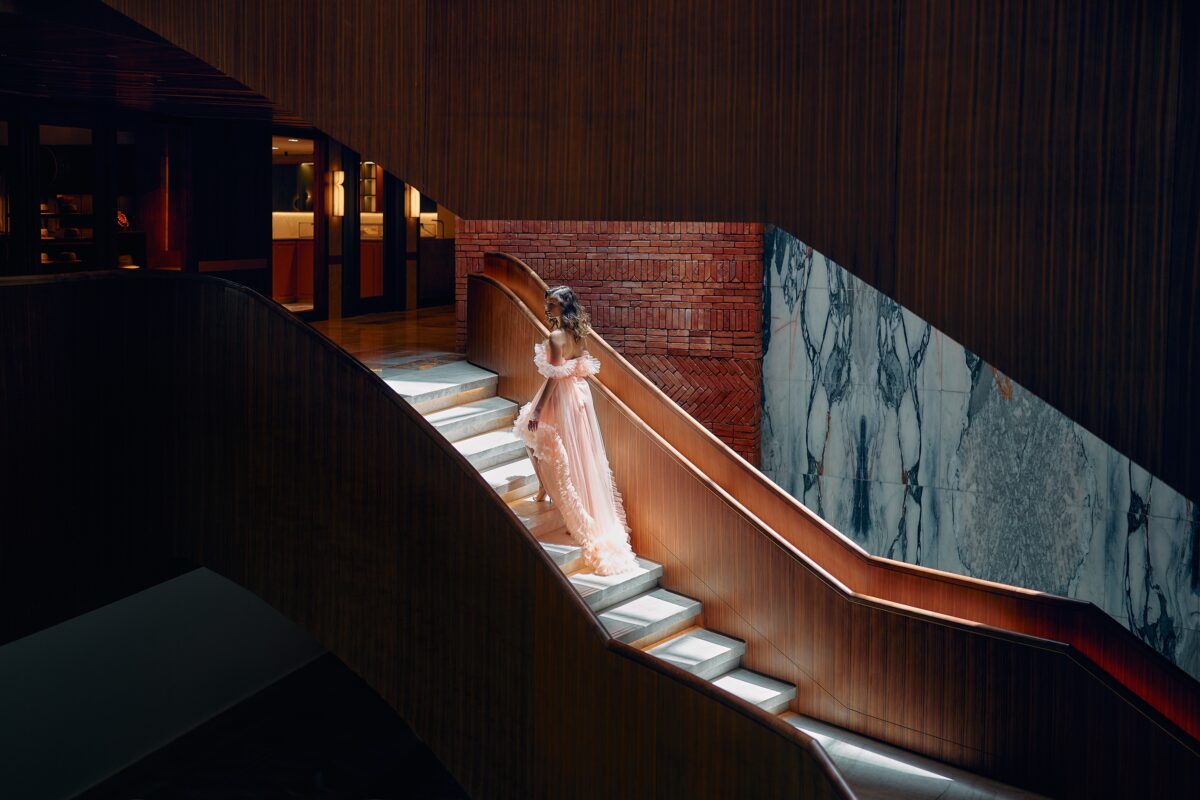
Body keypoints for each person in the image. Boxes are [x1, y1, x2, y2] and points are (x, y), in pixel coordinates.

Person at [513, 286, 639, 576]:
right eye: (547, 304)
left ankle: (548, 491)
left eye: (554, 305)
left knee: (532, 433)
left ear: (565, 307)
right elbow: (575, 368)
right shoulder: (579, 334)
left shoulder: (556, 337)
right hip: (579, 394)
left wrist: (538, 409)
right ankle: (544, 489)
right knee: (577, 448)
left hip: (562, 396)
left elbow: (554, 377)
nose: (548, 309)